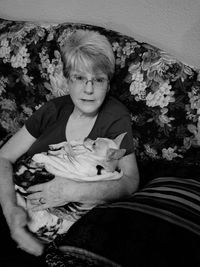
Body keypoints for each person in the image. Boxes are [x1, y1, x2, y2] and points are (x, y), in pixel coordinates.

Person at [0, 29, 139, 261]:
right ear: (67, 78)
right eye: (79, 77)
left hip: (54, 231)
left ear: (108, 83)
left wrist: (71, 190)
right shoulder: (52, 110)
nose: (88, 89)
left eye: (99, 79)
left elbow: (131, 181)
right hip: (13, 203)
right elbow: (3, 157)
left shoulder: (115, 116)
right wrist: (10, 211)